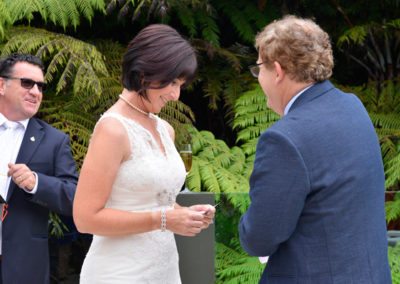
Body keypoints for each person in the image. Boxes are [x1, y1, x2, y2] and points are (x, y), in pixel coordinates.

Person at [238, 15, 392, 283]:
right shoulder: (353, 108)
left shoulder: (284, 140)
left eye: (259, 67)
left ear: (278, 71)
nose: (258, 76)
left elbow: (259, 239)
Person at [73, 24, 215, 283]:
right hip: (119, 272)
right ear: (144, 72)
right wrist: (164, 219)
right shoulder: (113, 129)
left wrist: (185, 215)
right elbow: (85, 218)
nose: (175, 95)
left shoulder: (165, 129)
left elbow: (154, 201)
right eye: (172, 82)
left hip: (165, 269)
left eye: (181, 84)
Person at [0, 53, 78, 284]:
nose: (35, 92)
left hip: (24, 265)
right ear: (2, 85)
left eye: (40, 86)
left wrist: (37, 183)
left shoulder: (55, 140)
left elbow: (74, 196)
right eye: (27, 83)